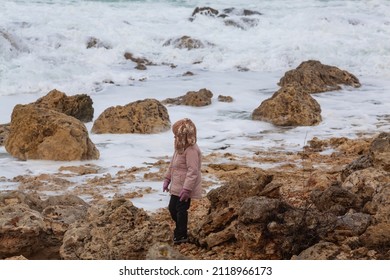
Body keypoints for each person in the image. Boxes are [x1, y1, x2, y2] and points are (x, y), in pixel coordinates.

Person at [163, 118, 202, 244]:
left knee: (181, 210)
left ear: (184, 137)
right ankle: (180, 228)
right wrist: (167, 179)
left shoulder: (191, 151)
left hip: (185, 188)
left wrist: (187, 189)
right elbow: (172, 165)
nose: (174, 139)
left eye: (176, 136)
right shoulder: (178, 148)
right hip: (176, 186)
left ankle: (181, 234)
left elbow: (193, 171)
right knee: (172, 208)